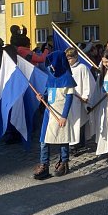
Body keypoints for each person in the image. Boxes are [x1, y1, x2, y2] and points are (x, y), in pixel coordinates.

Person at [33, 51, 77, 180]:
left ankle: (64, 162)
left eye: (53, 64)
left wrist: (64, 116)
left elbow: (69, 98)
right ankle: (44, 164)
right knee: (43, 140)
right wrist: (42, 97)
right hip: (49, 113)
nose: (51, 67)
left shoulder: (67, 77)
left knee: (62, 139)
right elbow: (48, 94)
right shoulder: (50, 77)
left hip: (61, 113)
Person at [65, 47, 96, 152]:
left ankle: (78, 143)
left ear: (76, 57)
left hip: (79, 100)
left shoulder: (82, 68)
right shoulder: (66, 69)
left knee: (80, 121)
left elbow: (89, 82)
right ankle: (72, 142)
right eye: (67, 58)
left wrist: (86, 96)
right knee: (71, 121)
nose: (68, 60)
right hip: (69, 99)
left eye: (70, 58)